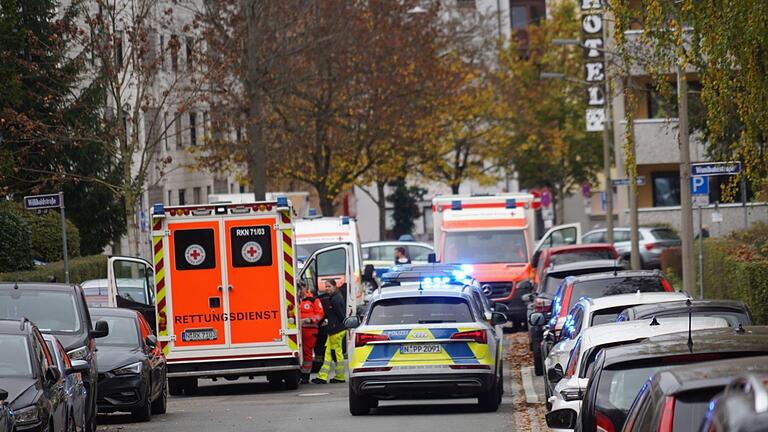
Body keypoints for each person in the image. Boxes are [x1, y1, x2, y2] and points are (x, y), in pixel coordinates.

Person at [312, 279, 346, 384]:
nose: (327, 289)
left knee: (337, 354)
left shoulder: (335, 299)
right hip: (333, 330)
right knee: (328, 354)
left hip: (336, 330)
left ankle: (339, 376)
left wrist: (335, 324)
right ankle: (323, 377)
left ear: (335, 286)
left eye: (329, 286)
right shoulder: (334, 298)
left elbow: (341, 315)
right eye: (326, 286)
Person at [298, 281, 324, 384]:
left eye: (301, 288)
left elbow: (320, 314)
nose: (299, 291)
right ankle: (301, 373)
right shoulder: (295, 299)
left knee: (307, 352)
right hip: (299, 330)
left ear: (305, 288)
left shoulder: (313, 300)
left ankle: (305, 375)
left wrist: (310, 319)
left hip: (309, 330)